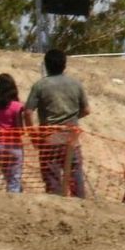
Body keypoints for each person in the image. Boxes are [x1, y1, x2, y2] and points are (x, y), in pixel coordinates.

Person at [24, 49, 89, 197]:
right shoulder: (76, 84)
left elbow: (27, 112)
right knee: (75, 174)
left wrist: (33, 135)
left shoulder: (40, 85)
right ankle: (81, 208)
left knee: (52, 180)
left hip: (50, 138)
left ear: (46, 65)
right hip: (71, 137)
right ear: (64, 65)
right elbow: (86, 110)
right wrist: (72, 119)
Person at [0, 74, 26, 193]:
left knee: (8, 177)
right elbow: (20, 129)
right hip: (14, 145)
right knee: (14, 178)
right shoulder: (17, 107)